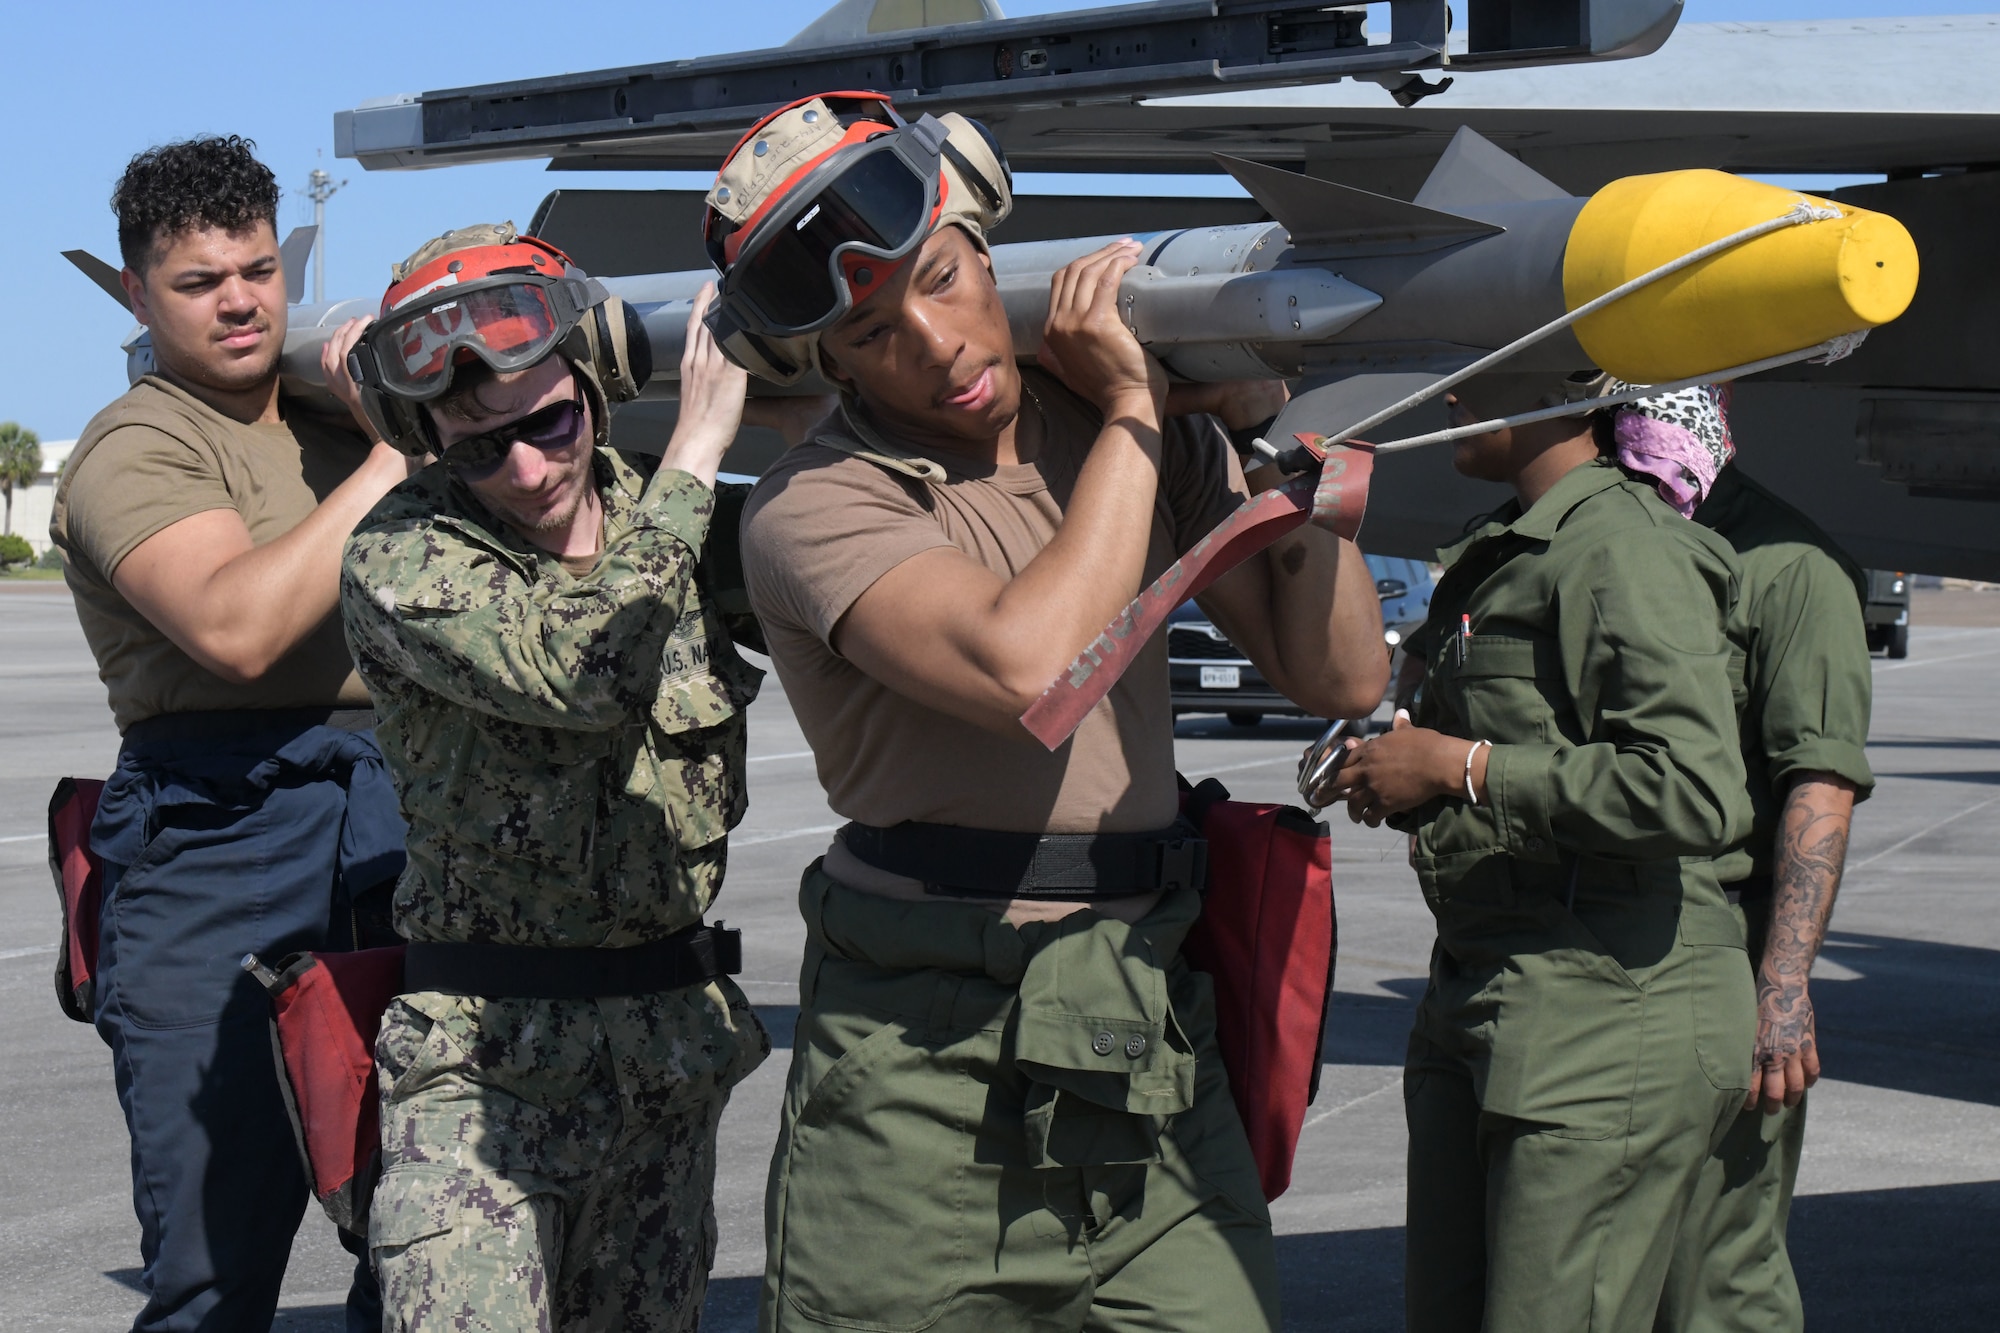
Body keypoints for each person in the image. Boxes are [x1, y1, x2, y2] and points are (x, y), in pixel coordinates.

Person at [710, 92, 1387, 1331]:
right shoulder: (816, 504)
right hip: (922, 1069)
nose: (936, 340)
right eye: (871, 329)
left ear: (984, 250)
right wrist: (1133, 414)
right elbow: (1029, 671)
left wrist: (1264, 439)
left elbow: (1335, 677)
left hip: (1141, 1021)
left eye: (943, 277)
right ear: (833, 360)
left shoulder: (1126, 444)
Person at [336, 223, 769, 1332]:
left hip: (662, 1072)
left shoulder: (676, 525)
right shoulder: (403, 555)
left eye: (547, 424)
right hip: (485, 1085)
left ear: (595, 381)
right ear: (426, 436)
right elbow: (587, 662)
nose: (524, 469)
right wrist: (699, 445)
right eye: (476, 447)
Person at [49, 134, 412, 1333]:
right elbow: (239, 628)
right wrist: (396, 455)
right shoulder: (138, 445)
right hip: (216, 841)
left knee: (425, 1235)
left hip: (395, 826)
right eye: (199, 282)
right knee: (214, 1258)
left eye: (257, 269)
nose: (241, 301)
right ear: (135, 292)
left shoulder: (331, 413)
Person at [1323, 371, 1758, 1333]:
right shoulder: (1500, 555)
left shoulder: (1623, 551)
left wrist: (1463, 767)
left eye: (1472, 381)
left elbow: (1693, 789)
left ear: (1554, 392)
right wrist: (1403, 772)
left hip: (1605, 1010)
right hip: (1486, 989)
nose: (1448, 402)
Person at [1607, 386, 1873, 1333]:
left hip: (1717, 955)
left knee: (1720, 1281)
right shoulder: (1600, 534)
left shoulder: (1788, 566)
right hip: (1588, 965)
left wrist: (1785, 983)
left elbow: (1821, 785)